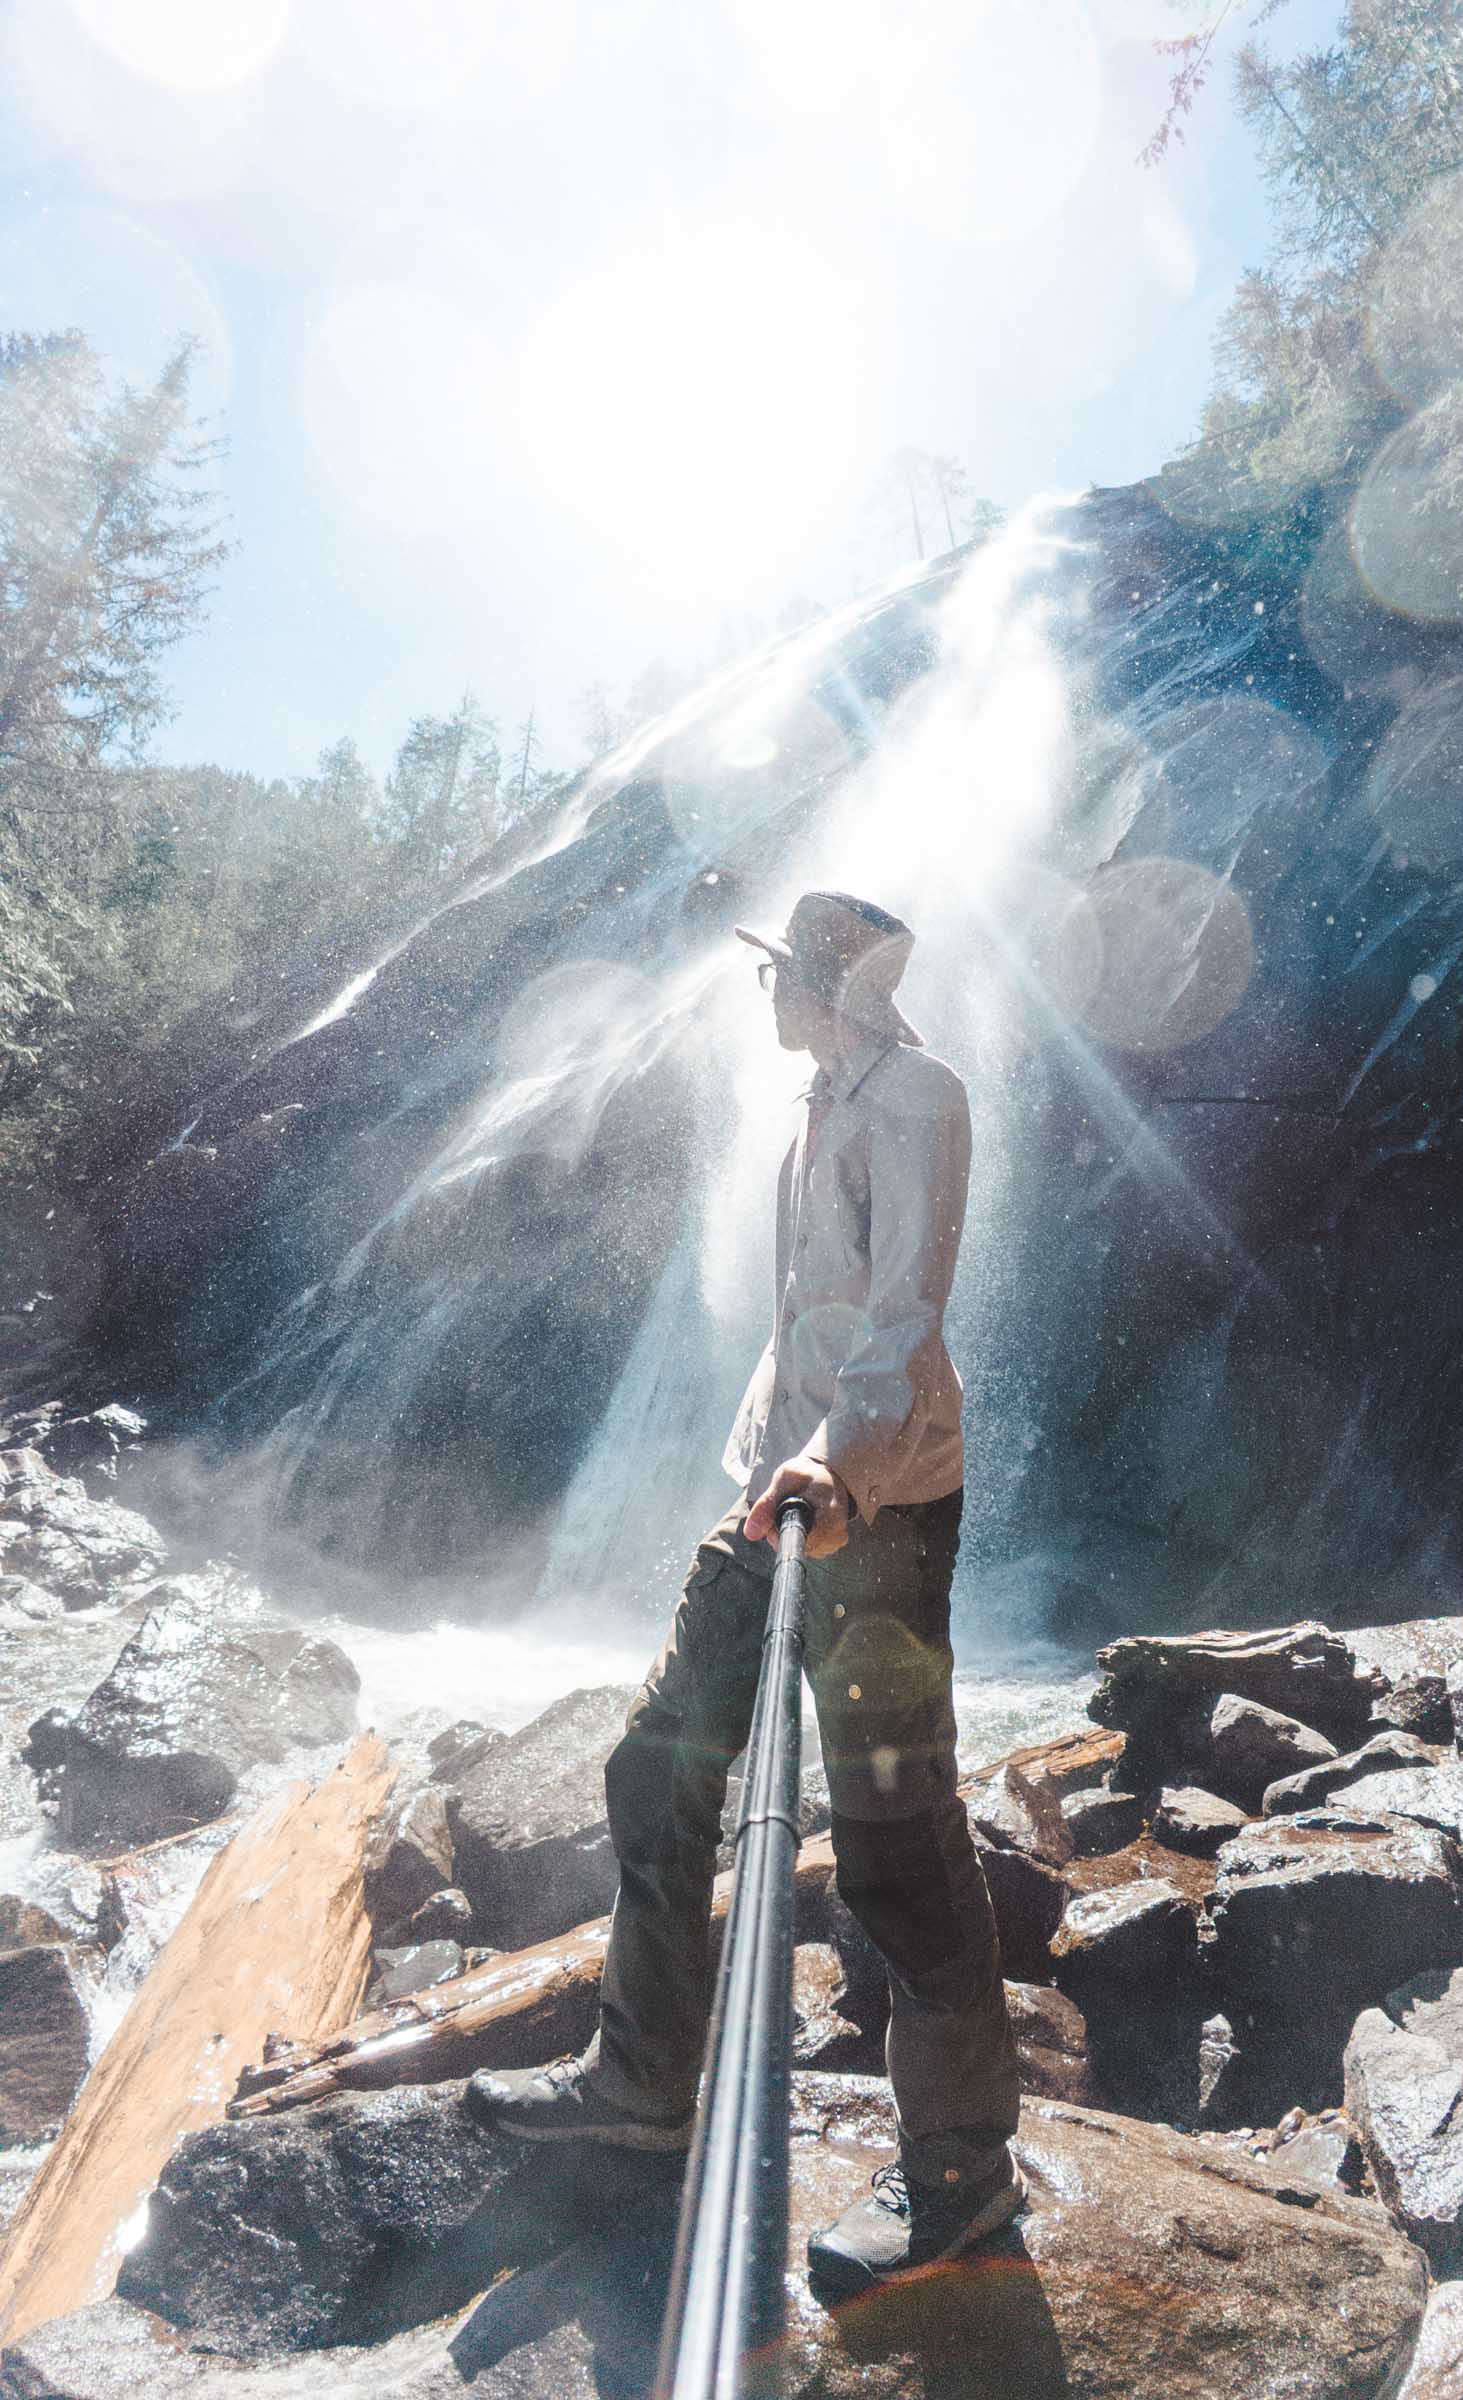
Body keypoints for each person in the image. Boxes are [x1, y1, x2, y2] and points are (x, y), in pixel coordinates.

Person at [467, 889, 1023, 2296]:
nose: (761, 992)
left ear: (835, 980)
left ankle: (960, 2169)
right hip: (785, 1482)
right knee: (656, 1759)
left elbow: (906, 1319)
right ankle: (645, 2077)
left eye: (779, 972)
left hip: (877, 1509)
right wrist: (776, 1459)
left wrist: (837, 1471)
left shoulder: (917, 1101)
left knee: (895, 1833)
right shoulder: (825, 1097)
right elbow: (812, 1323)